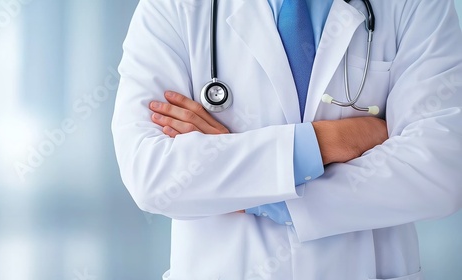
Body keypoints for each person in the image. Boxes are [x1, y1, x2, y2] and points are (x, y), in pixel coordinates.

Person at [112, 0, 462, 279]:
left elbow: (441, 170)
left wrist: (259, 197)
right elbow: (153, 173)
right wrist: (324, 142)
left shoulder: (416, 5)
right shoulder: (173, 7)